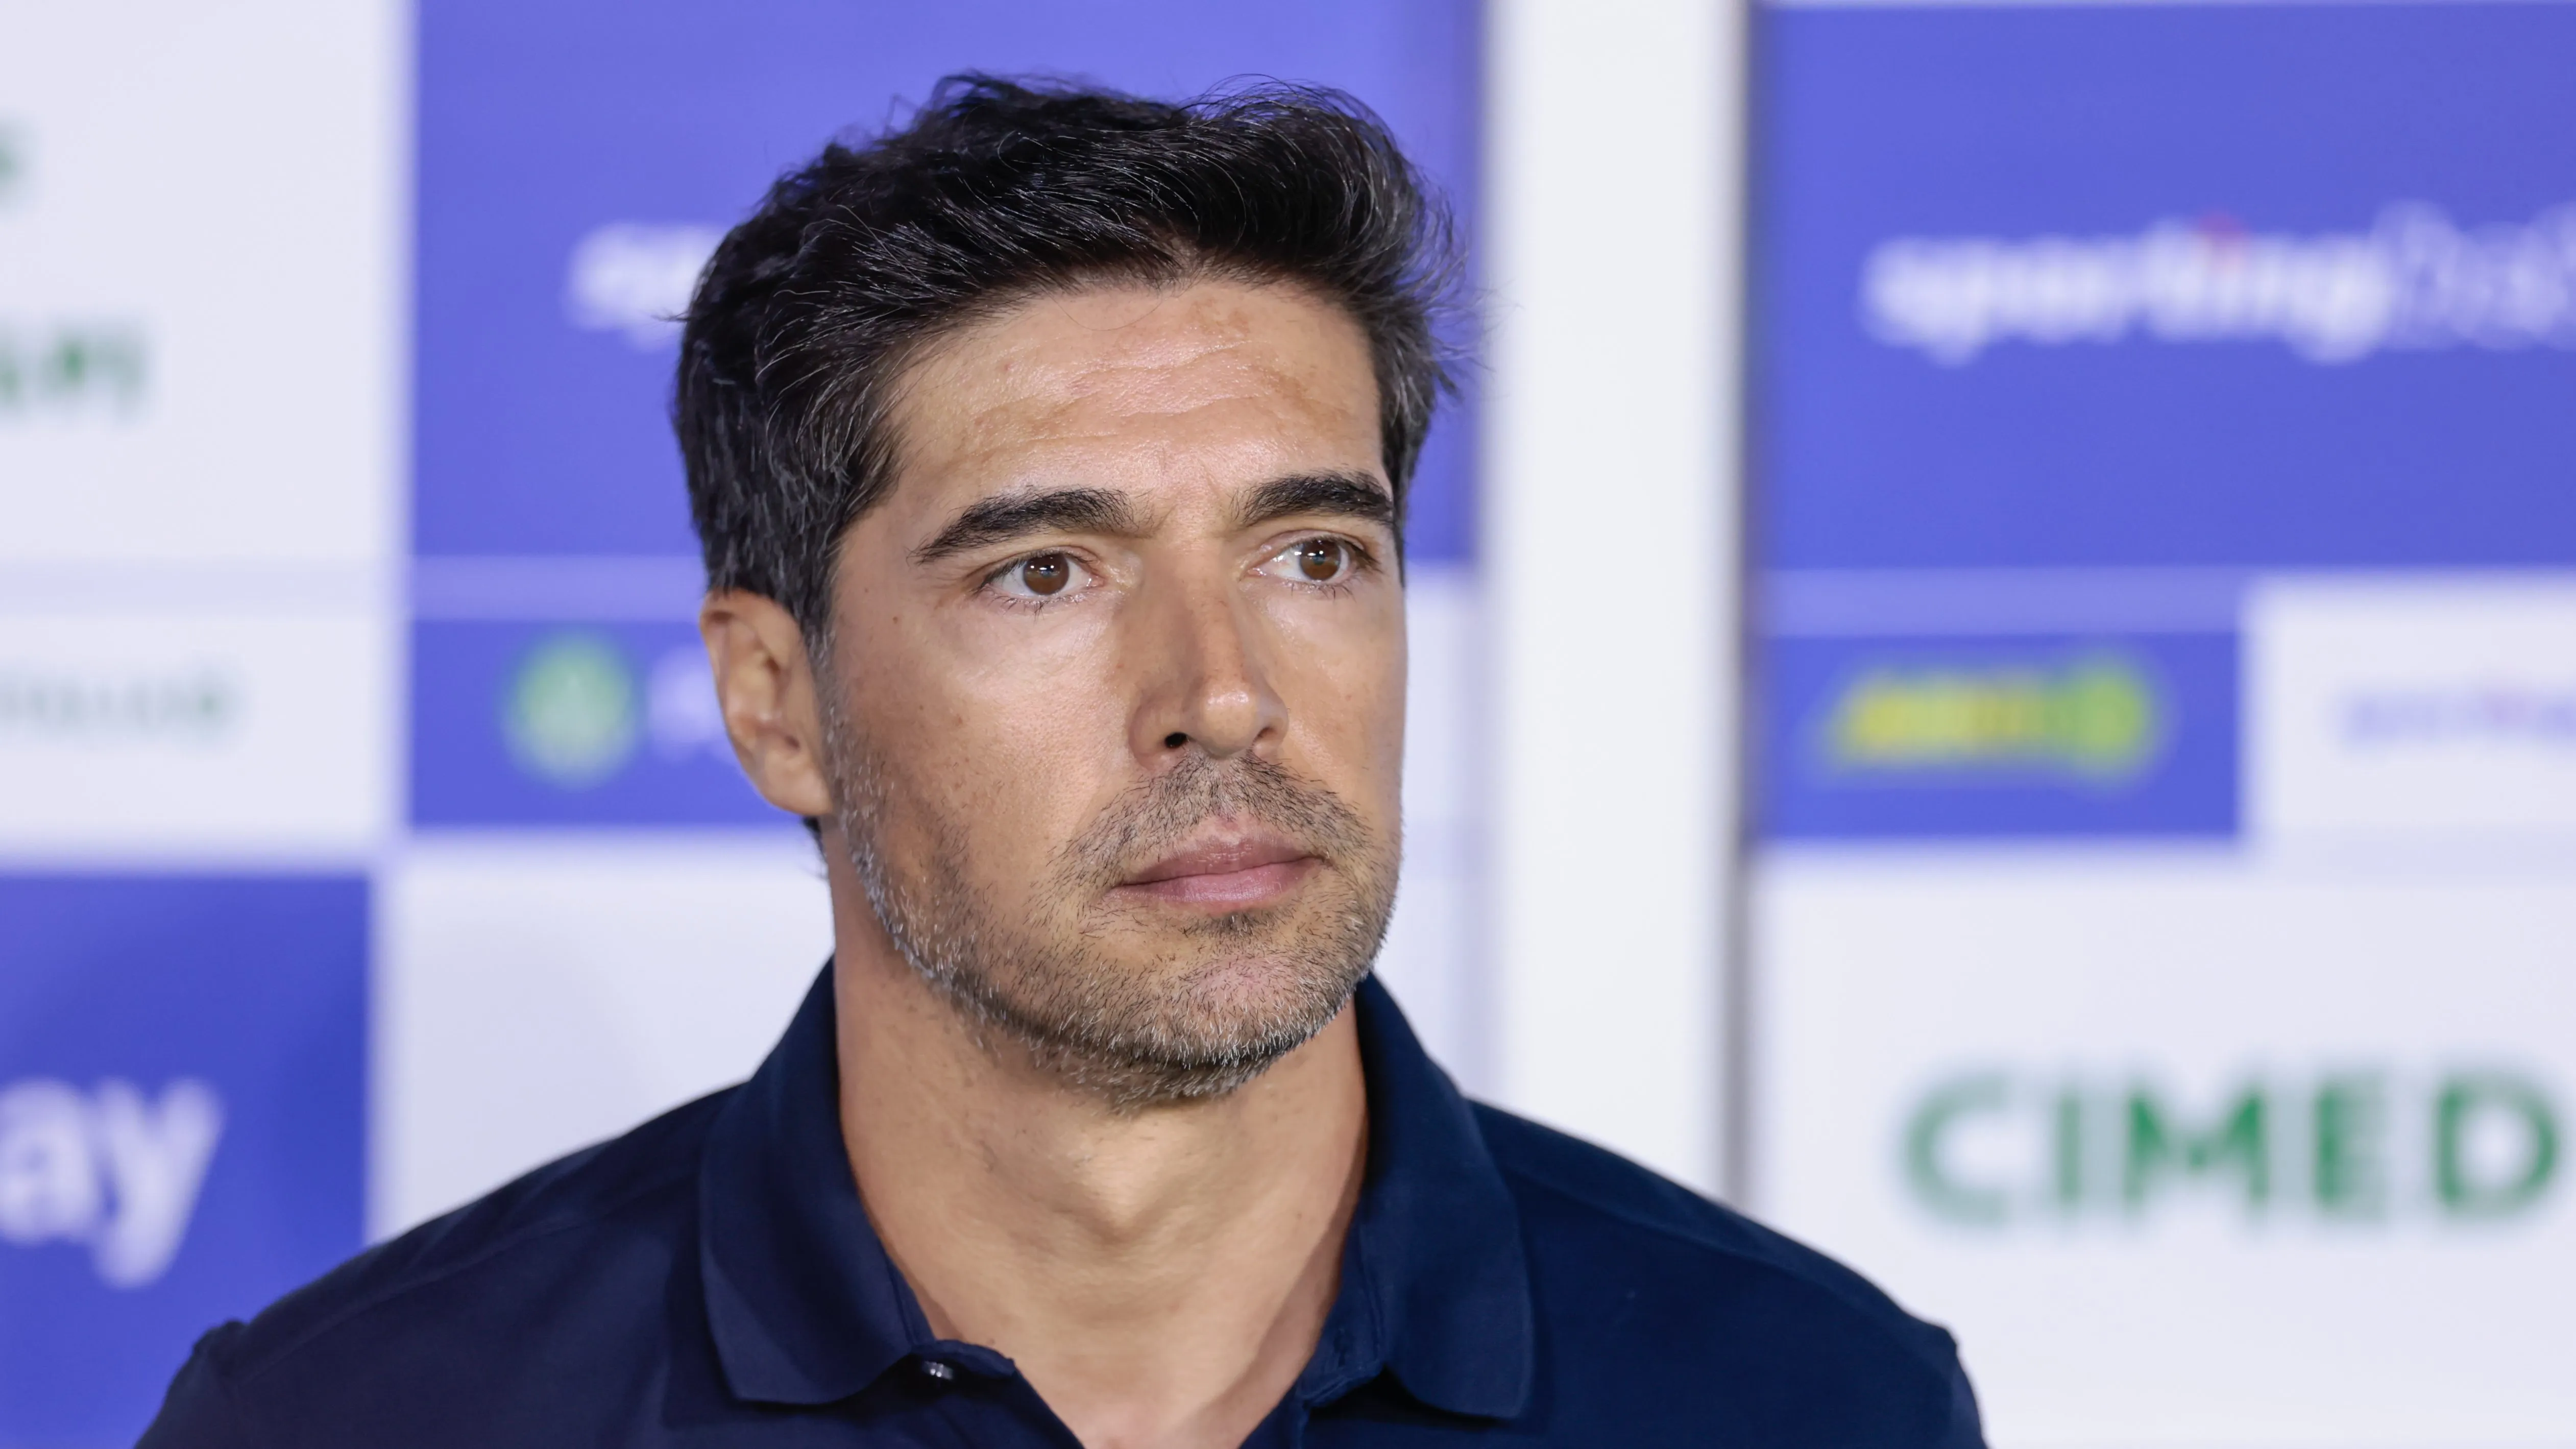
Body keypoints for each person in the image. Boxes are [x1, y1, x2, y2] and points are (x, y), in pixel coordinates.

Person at [142, 78, 1982, 1448]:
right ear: (775, 698)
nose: (1224, 692)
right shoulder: (364, 1416)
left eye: (1310, 555)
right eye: (1047, 571)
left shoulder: (1804, 1399)